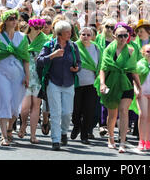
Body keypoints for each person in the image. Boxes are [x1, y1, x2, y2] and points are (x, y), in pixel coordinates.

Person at [95, 23, 141, 153]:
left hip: (126, 83)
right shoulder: (109, 49)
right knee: (112, 113)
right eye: (120, 35)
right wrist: (102, 84)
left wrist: (139, 86)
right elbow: (103, 68)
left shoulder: (131, 50)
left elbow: (133, 69)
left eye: (126, 35)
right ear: (114, 36)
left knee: (123, 111)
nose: (123, 38)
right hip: (111, 83)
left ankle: (122, 141)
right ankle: (110, 138)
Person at [36, 20, 81, 151]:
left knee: (67, 113)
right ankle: (55, 140)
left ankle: (63, 132)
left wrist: (77, 68)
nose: (70, 34)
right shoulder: (49, 45)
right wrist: (52, 56)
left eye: (70, 31)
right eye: (67, 32)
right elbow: (39, 61)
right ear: (59, 34)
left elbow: (78, 62)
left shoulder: (73, 46)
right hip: (53, 83)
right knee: (55, 112)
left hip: (69, 83)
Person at [0, 9, 30, 146]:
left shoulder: (22, 37)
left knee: (15, 105)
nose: (13, 21)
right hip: (1, 73)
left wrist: (27, 76)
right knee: (4, 101)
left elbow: (26, 59)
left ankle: (10, 127)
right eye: (10, 18)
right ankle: (4, 136)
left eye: (15, 18)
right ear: (5, 21)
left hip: (18, 74)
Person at [18, 18, 48, 144]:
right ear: (31, 27)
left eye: (40, 28)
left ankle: (33, 135)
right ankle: (23, 124)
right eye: (36, 27)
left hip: (38, 77)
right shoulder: (22, 39)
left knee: (36, 107)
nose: (39, 30)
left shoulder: (45, 40)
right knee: (24, 108)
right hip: (23, 76)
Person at [72, 26, 103, 145]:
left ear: (92, 36)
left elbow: (100, 64)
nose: (85, 37)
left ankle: (84, 135)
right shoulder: (74, 46)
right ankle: (76, 125)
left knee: (88, 110)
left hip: (92, 83)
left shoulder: (96, 47)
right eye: (83, 34)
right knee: (76, 110)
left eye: (88, 35)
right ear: (79, 35)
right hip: (77, 83)